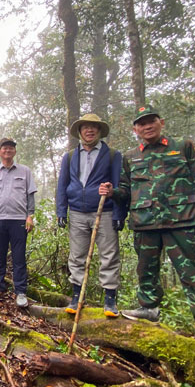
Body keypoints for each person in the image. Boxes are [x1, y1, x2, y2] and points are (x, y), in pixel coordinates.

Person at [99, 105, 195, 354]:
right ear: (135, 129)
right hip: (145, 222)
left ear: (161, 122)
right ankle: (148, 308)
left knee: (192, 272)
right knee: (146, 270)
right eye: (141, 123)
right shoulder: (131, 156)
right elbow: (127, 191)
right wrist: (112, 192)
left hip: (182, 220)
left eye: (151, 121)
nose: (147, 126)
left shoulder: (183, 147)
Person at [57, 114, 125, 317]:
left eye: (94, 127)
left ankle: (110, 299)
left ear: (99, 131)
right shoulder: (70, 156)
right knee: (76, 256)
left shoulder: (112, 155)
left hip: (104, 211)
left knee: (109, 255)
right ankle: (77, 296)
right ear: (79, 131)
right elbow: (62, 185)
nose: (89, 130)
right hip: (77, 212)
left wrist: (119, 213)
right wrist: (61, 210)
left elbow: (119, 186)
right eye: (85, 127)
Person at [0, 137, 36, 308]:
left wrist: (30, 216)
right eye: (4, 148)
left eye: (11, 148)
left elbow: (30, 195)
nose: (7, 151)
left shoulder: (25, 171)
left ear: (15, 152)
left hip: (18, 218)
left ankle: (20, 291)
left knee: (19, 257)